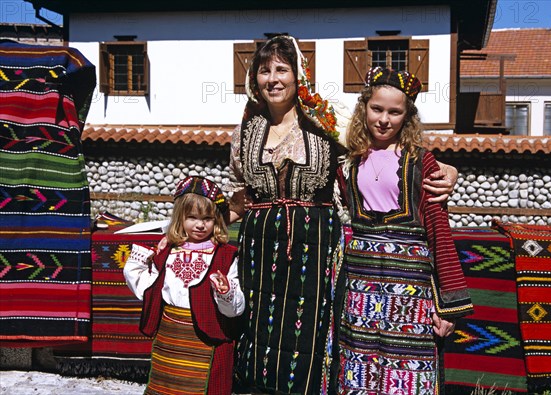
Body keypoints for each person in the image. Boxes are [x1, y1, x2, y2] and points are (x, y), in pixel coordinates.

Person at [225, 35, 459, 394]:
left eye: (282, 69)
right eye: (264, 70)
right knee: (259, 338)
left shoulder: (325, 123)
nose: (273, 78)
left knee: (310, 343)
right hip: (265, 251)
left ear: (298, 74)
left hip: (314, 252)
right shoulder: (247, 130)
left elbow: (386, 155)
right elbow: (245, 196)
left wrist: (447, 170)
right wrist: (189, 223)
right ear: (252, 77)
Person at [337, 67, 474, 394]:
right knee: (359, 372)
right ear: (364, 108)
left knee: (409, 375)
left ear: (407, 116)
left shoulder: (421, 162)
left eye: (394, 112)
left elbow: (439, 230)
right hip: (360, 291)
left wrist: (448, 304)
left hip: (411, 292)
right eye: (377, 109)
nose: (384, 119)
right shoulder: (348, 163)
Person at [123, 176, 244, 395]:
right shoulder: (168, 251)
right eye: (192, 217)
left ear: (217, 219)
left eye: (207, 218)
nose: (200, 224)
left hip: (207, 339)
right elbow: (147, 288)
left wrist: (225, 292)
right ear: (180, 218)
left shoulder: (225, 256)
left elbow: (235, 308)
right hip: (170, 338)